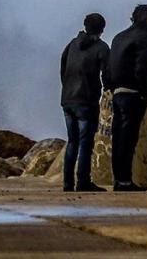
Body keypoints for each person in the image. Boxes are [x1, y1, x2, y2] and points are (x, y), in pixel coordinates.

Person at [104, 4, 147, 192]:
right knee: (128, 139)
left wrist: (109, 86)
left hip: (117, 93)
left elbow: (108, 67)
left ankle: (119, 180)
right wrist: (145, 92)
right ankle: (125, 181)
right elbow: (144, 67)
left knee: (118, 138)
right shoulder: (145, 38)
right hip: (133, 94)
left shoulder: (118, 38)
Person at [60, 13, 109, 192]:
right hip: (86, 101)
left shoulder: (71, 45)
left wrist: (66, 90)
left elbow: (63, 69)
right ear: (102, 29)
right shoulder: (101, 48)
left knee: (72, 141)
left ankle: (67, 183)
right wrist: (106, 90)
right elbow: (107, 73)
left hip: (67, 100)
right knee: (86, 142)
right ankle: (83, 181)